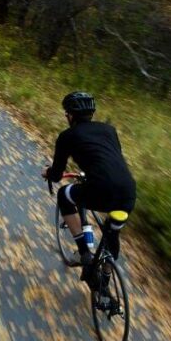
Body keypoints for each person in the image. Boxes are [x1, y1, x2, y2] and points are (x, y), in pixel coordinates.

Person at [42, 91, 136, 283]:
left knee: (63, 194)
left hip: (101, 188)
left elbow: (58, 173)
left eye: (66, 113)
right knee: (112, 232)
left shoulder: (67, 136)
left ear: (70, 115)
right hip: (128, 191)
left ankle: (84, 252)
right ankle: (106, 278)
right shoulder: (109, 130)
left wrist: (48, 173)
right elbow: (109, 158)